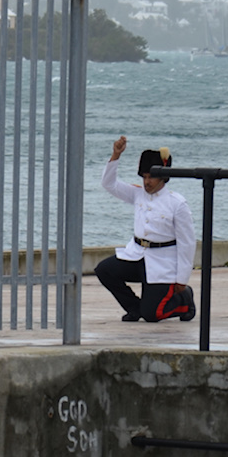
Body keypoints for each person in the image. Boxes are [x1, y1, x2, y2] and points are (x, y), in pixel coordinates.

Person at [96, 135, 197, 322]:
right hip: (137, 256)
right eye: (144, 177)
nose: (147, 182)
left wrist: (182, 279)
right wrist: (115, 155)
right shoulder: (138, 194)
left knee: (153, 315)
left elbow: (187, 243)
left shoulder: (177, 204)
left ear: (163, 177)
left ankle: (184, 300)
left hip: (162, 263)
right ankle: (134, 308)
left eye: (151, 177)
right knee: (104, 270)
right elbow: (108, 184)